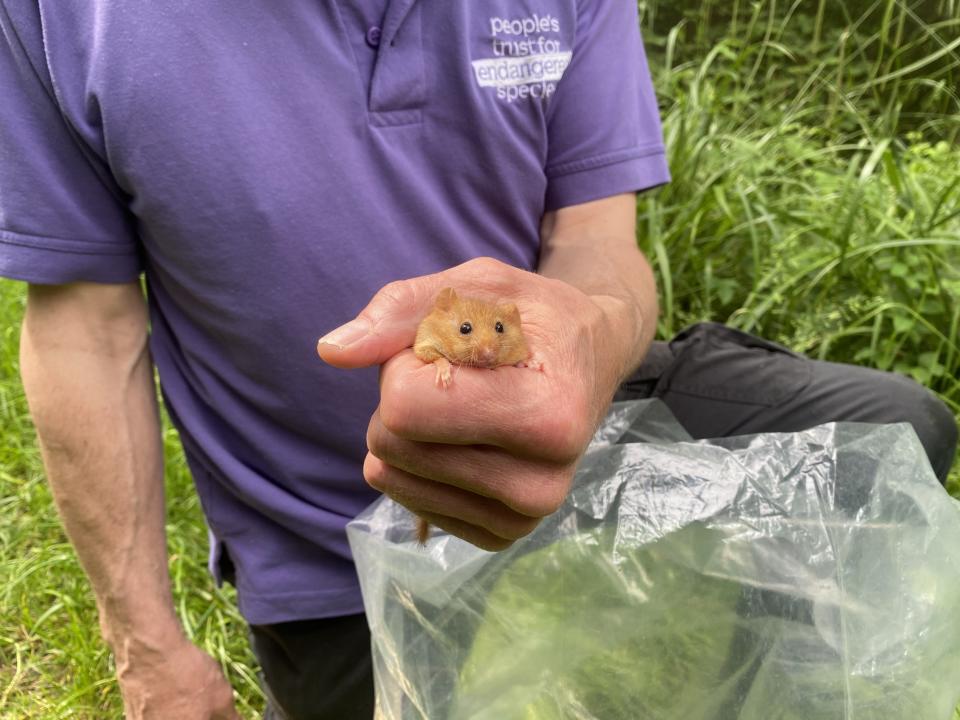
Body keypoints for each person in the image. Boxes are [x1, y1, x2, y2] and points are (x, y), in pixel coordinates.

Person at [0, 2, 954, 719]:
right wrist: (146, 645)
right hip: (330, 530)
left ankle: (742, 679)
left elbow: (599, 247)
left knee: (897, 430)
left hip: (589, 406)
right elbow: (82, 327)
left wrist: (580, 334)